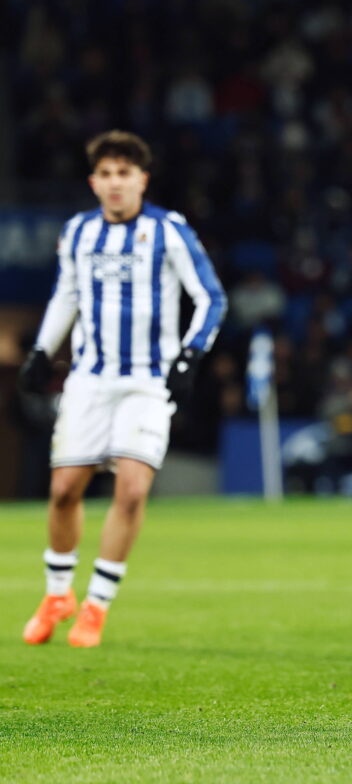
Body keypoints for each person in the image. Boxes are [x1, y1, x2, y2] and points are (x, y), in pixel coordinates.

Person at [18, 130, 227, 647]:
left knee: (131, 490)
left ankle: (95, 606)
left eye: (125, 174)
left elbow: (211, 298)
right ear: (94, 182)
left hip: (147, 382)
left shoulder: (168, 230)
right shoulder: (79, 233)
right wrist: (42, 352)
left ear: (142, 179)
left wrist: (190, 356)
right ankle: (57, 594)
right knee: (66, 489)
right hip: (89, 379)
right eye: (106, 174)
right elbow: (66, 295)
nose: (115, 184)